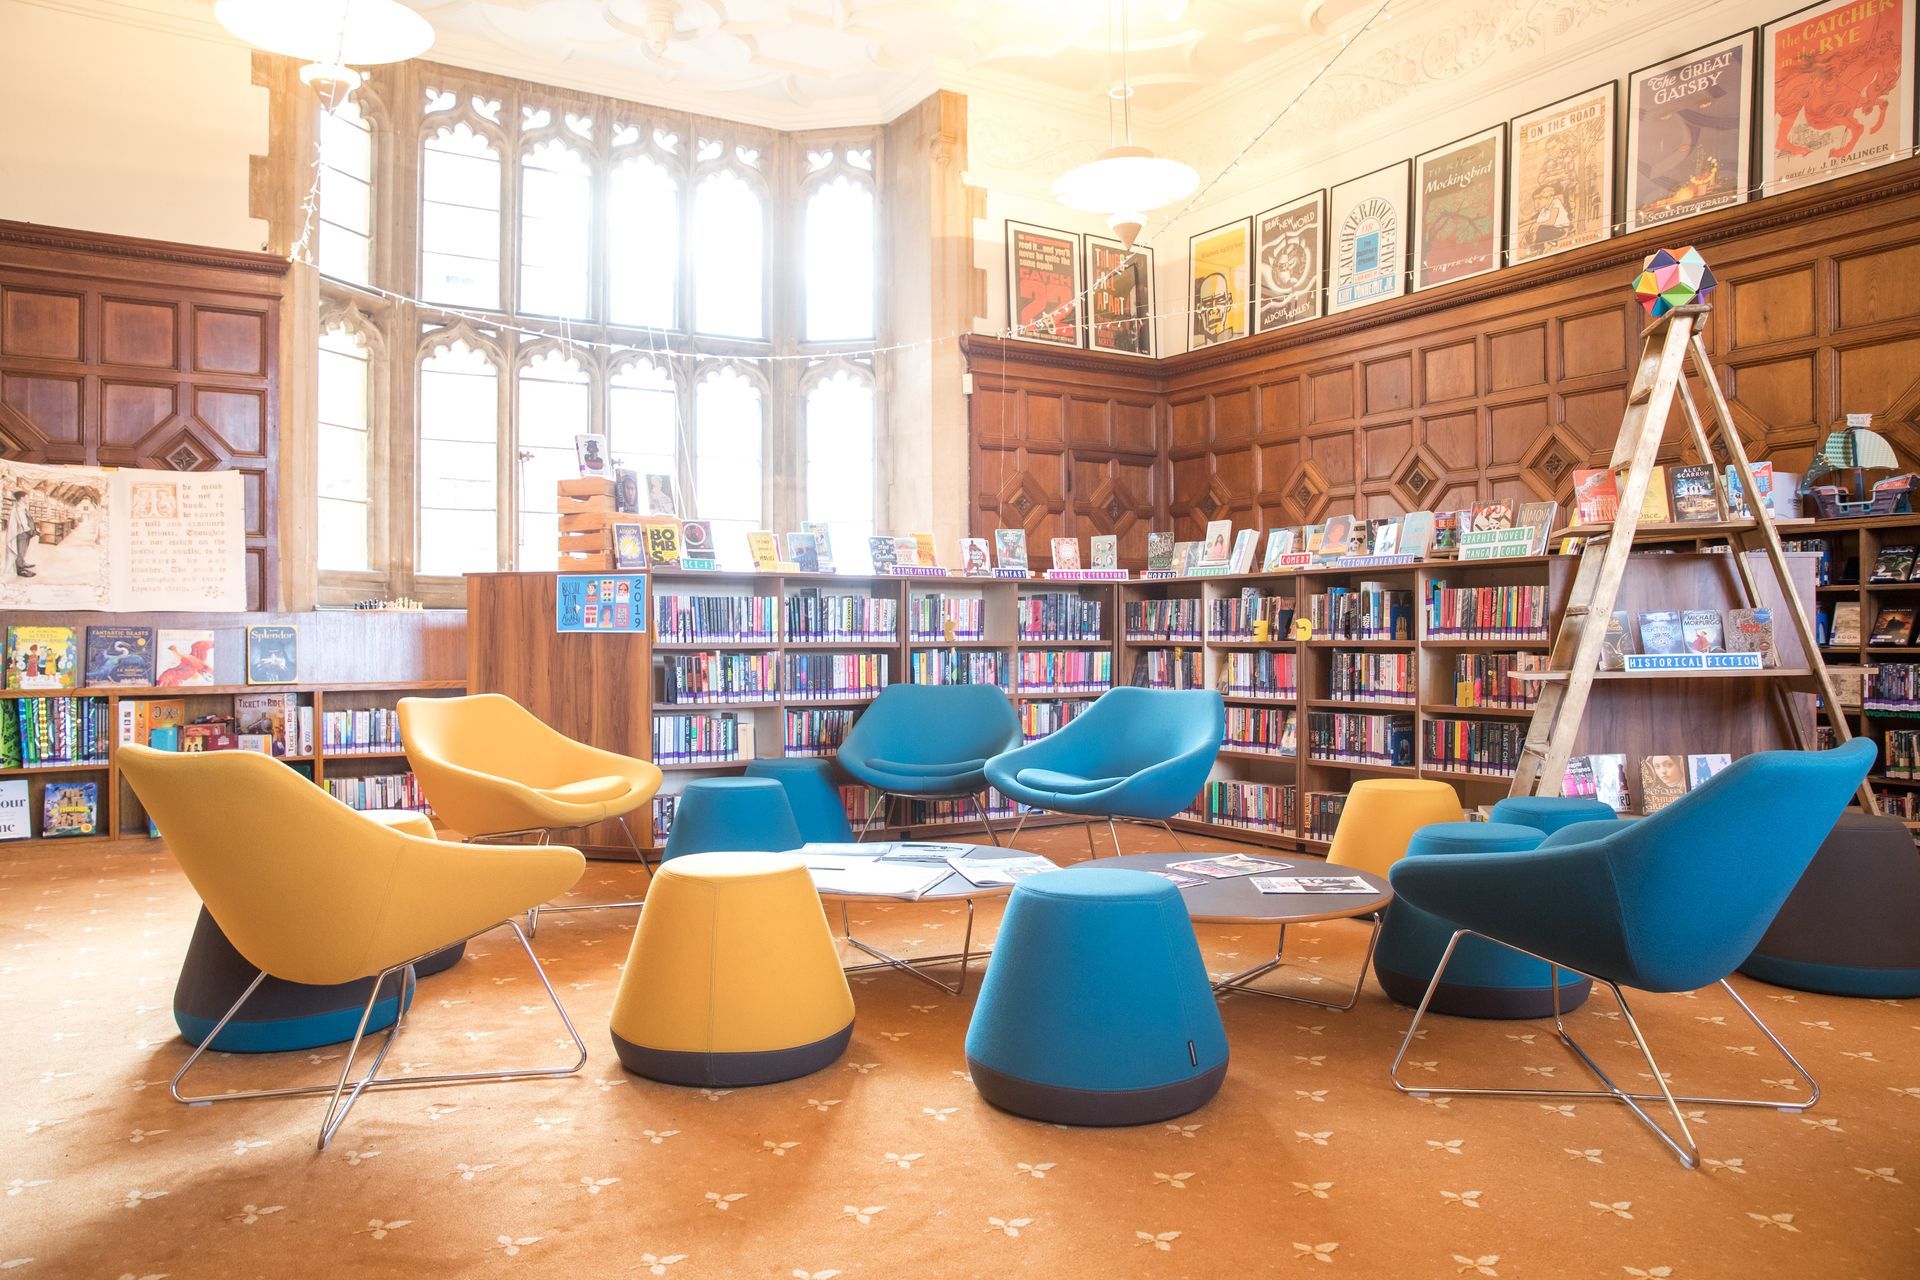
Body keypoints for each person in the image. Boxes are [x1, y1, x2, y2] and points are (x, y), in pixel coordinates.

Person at [5, 490, 35, 578]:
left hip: (25, 532)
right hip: (22, 533)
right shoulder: (19, 509)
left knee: (24, 549)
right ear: (22, 498)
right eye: (26, 497)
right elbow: (22, 523)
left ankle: (22, 562)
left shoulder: (22, 507)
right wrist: (30, 531)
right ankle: (20, 569)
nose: (28, 499)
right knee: (20, 551)